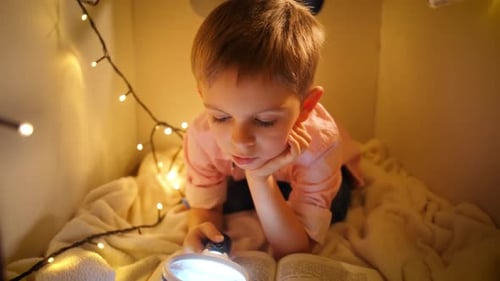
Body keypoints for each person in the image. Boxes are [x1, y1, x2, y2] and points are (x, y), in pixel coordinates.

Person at [182, 0, 363, 259]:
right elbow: (205, 207)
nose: (240, 140)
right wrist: (199, 229)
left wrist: (258, 178)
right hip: (250, 175)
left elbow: (296, 249)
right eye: (221, 117)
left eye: (265, 121)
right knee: (212, 199)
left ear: (305, 107)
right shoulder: (201, 136)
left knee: (339, 205)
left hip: (319, 175)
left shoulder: (319, 147)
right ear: (203, 97)